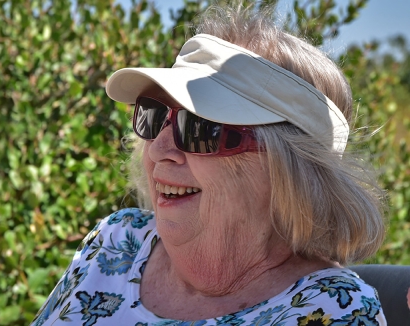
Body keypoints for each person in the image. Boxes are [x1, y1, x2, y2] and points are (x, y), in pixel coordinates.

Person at [31, 3, 387, 325]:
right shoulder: (118, 238)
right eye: (154, 117)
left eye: (202, 128)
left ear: (290, 169)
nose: (159, 149)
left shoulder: (331, 310)